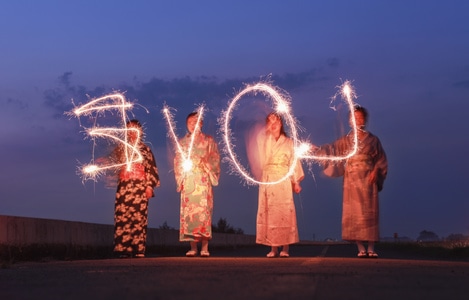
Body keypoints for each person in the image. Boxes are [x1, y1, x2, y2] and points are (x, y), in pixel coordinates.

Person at [317, 105, 387, 258]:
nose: (357, 120)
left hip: (368, 179)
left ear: (365, 120)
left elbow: (381, 159)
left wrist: (375, 171)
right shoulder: (346, 140)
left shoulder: (373, 140)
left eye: (360, 117)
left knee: (369, 213)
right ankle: (360, 247)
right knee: (354, 213)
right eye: (354, 118)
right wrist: (317, 149)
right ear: (350, 121)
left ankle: (371, 247)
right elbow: (332, 149)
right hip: (352, 180)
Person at [255, 112, 304, 258]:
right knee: (270, 212)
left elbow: (293, 162)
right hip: (269, 178)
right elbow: (261, 158)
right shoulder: (264, 140)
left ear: (281, 123)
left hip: (283, 179)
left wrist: (295, 182)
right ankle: (273, 247)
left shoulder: (289, 142)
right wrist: (267, 133)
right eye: (270, 121)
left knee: (283, 212)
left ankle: (285, 248)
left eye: (276, 120)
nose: (273, 123)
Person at [174, 112, 220, 257]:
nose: (193, 124)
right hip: (189, 179)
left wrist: (206, 164)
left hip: (203, 178)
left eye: (196, 121)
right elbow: (178, 162)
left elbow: (215, 158)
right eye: (190, 122)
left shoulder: (209, 141)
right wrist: (180, 178)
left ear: (201, 123)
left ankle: (205, 246)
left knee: (204, 213)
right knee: (189, 214)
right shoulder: (182, 143)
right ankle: (193, 246)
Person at [111, 119, 160, 258]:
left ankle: (138, 248)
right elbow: (113, 167)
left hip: (139, 186)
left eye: (134, 129)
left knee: (138, 218)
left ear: (140, 131)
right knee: (123, 217)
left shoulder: (145, 150)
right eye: (129, 129)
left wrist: (149, 186)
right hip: (124, 187)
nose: (131, 132)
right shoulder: (121, 149)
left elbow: (151, 169)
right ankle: (123, 248)